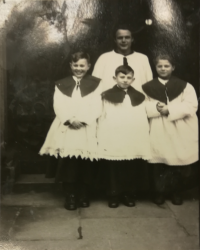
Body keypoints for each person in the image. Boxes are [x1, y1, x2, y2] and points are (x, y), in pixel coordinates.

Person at [39, 52, 102, 210]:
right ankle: (70, 195)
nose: (79, 69)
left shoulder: (96, 84)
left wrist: (83, 120)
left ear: (88, 66)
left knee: (86, 163)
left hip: (86, 127)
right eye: (76, 65)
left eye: (82, 65)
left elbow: (97, 105)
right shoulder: (62, 84)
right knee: (69, 163)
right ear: (70, 66)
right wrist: (70, 119)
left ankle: (84, 194)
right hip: (67, 127)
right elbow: (58, 105)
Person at [142, 54, 199, 205]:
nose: (163, 69)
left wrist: (169, 109)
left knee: (178, 162)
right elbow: (142, 106)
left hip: (179, 127)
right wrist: (155, 108)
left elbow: (192, 105)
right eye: (159, 66)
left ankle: (176, 192)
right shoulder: (148, 87)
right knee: (160, 161)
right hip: (158, 127)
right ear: (155, 68)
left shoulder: (185, 86)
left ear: (173, 67)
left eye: (166, 66)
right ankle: (160, 192)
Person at [97, 65, 151, 208]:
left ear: (133, 79)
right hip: (113, 135)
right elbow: (102, 116)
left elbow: (142, 117)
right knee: (114, 167)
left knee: (130, 166)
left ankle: (128, 194)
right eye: (122, 77)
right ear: (115, 78)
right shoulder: (106, 95)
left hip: (131, 136)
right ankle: (113, 195)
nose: (125, 80)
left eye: (128, 77)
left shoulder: (139, 96)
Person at [92, 24, 153, 92]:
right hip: (110, 101)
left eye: (127, 37)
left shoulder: (143, 59)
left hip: (138, 101)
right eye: (120, 38)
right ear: (115, 40)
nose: (123, 40)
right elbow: (95, 85)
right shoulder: (104, 58)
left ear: (132, 39)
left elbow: (149, 84)